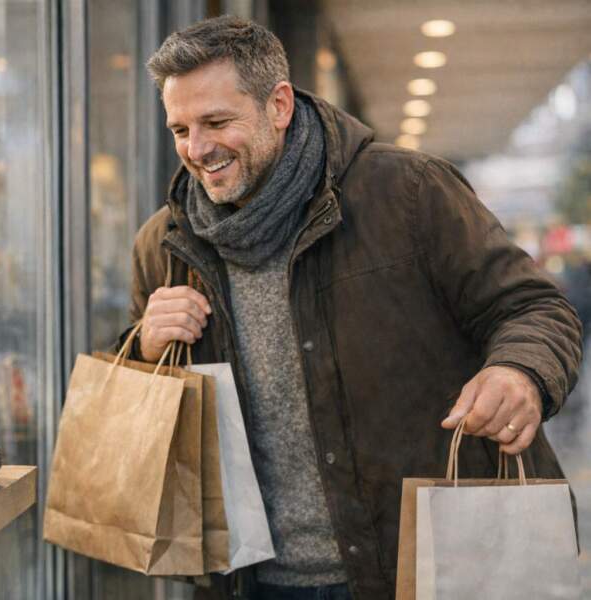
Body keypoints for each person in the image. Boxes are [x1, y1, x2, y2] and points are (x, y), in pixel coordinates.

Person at [120, 15, 583, 600]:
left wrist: (519, 371)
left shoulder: (409, 192)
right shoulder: (163, 243)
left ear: (279, 104)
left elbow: (535, 308)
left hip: (421, 567)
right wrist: (145, 346)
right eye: (180, 129)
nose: (197, 148)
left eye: (216, 122)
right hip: (251, 580)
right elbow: (142, 405)